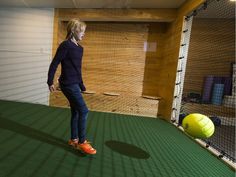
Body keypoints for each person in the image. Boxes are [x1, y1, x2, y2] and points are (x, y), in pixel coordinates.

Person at [47, 19, 96, 155]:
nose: (84, 34)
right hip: (67, 84)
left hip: (74, 83)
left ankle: (74, 139)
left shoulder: (80, 48)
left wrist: (81, 84)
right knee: (84, 111)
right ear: (73, 30)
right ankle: (82, 142)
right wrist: (50, 81)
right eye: (82, 31)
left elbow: (77, 69)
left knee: (75, 111)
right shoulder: (65, 45)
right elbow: (55, 63)